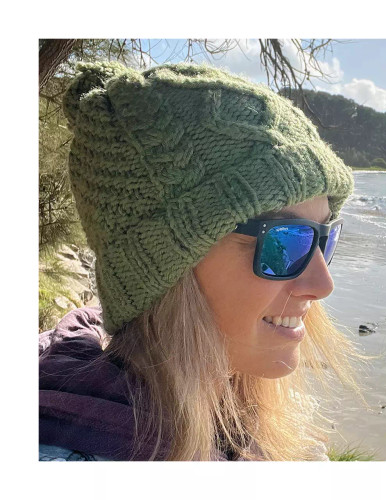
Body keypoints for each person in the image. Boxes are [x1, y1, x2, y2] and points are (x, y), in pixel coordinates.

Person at [39, 60, 365, 461]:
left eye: (324, 238)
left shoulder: (237, 412)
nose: (323, 284)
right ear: (164, 265)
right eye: (285, 242)